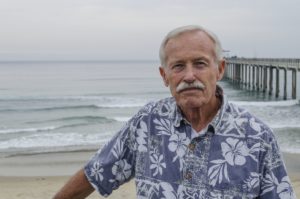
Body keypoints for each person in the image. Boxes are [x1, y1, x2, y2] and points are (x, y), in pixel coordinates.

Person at [53, 25, 296, 199]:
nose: (189, 76)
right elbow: (95, 173)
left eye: (200, 64)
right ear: (164, 76)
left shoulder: (257, 137)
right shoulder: (146, 123)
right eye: (178, 66)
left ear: (220, 69)